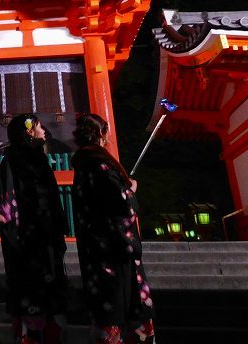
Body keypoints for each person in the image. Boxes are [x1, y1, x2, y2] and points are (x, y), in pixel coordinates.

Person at [71, 114, 155, 344]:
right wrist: (130, 190)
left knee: (106, 304)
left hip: (95, 247)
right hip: (114, 248)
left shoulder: (83, 164)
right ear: (101, 134)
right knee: (121, 300)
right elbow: (120, 202)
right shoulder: (99, 163)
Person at [0, 114, 69, 344]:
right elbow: (3, 205)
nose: (44, 129)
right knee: (32, 288)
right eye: (39, 126)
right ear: (29, 132)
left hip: (44, 238)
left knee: (45, 288)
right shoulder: (13, 161)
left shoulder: (38, 159)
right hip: (27, 240)